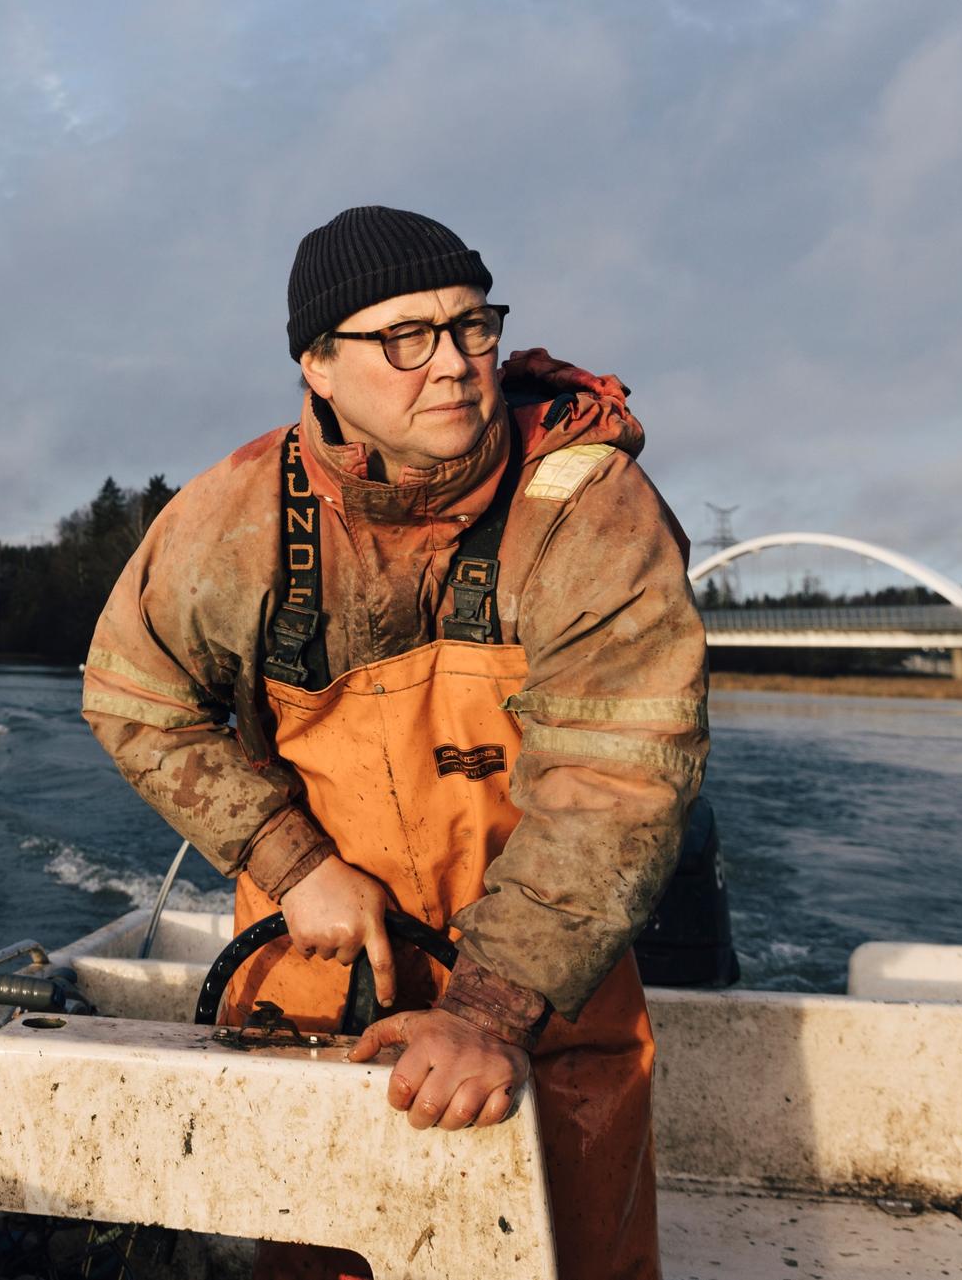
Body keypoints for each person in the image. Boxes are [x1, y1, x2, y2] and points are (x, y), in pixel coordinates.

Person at [80, 207, 707, 1280]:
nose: (454, 362)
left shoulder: (587, 505)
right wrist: (291, 862)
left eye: (471, 326)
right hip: (321, 960)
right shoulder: (234, 518)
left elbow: (616, 777)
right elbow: (133, 697)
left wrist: (490, 1006)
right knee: (321, 1245)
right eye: (406, 336)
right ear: (318, 365)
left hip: (544, 976)